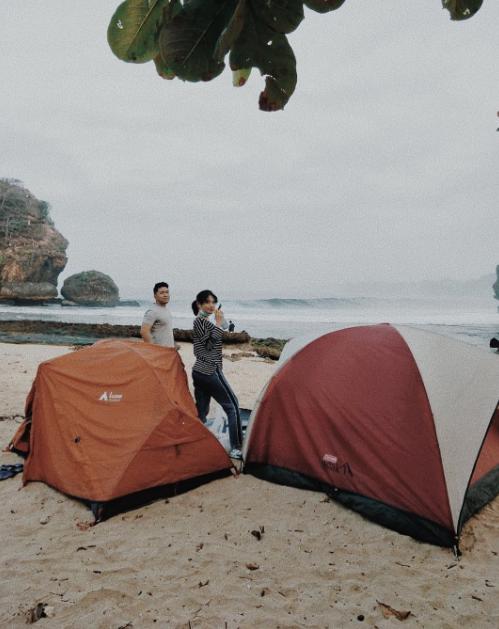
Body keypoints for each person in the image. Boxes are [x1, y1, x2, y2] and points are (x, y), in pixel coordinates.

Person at [191, 290, 243, 459]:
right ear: (199, 304)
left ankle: (195, 441)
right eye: (207, 302)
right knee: (232, 406)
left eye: (213, 302)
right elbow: (208, 345)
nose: (211, 305)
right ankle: (236, 448)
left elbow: (226, 329)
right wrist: (219, 324)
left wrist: (220, 321)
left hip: (200, 371)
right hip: (210, 370)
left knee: (202, 411)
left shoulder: (206, 321)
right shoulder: (200, 321)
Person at [140, 281, 175, 347]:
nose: (165, 295)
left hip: (168, 351)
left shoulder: (166, 310)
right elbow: (144, 332)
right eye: (161, 293)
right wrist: (154, 349)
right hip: (160, 353)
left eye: (167, 292)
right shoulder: (152, 311)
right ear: (155, 296)